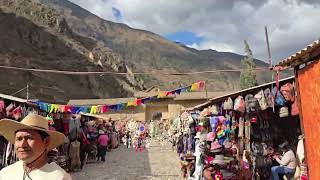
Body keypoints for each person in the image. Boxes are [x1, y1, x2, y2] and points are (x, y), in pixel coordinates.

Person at [0, 113, 72, 180]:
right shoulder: (5, 173)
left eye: (29, 138)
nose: (22, 145)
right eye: (19, 139)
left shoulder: (59, 177)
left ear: (46, 142)